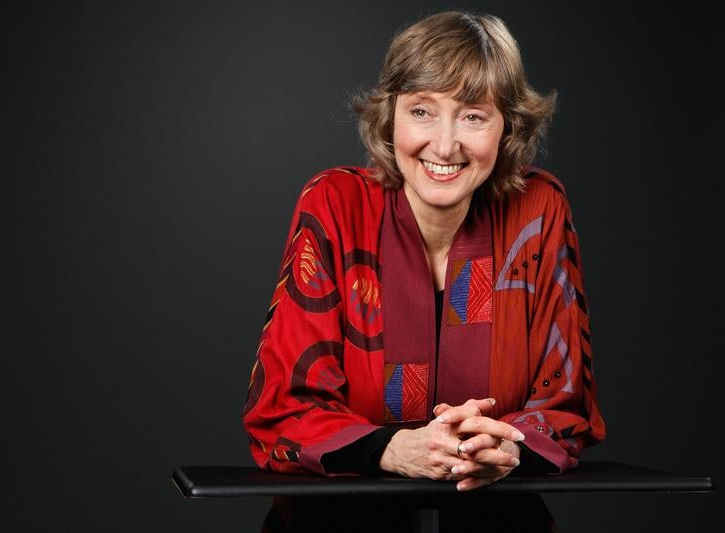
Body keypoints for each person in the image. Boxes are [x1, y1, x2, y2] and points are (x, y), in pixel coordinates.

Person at [243, 10, 605, 532]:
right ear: (389, 117)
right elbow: (286, 405)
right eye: (422, 111)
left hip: (495, 514)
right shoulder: (334, 204)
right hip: (335, 520)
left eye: (474, 116)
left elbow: (565, 401)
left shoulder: (539, 209)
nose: (443, 144)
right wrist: (393, 448)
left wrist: (501, 444)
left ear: (508, 127)